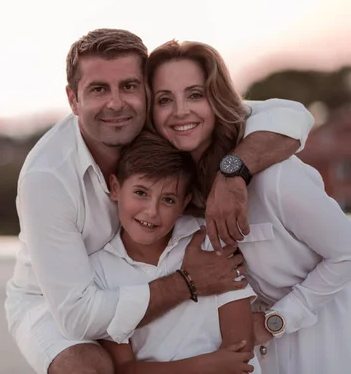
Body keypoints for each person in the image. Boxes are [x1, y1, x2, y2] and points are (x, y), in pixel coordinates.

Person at [5, 28, 314, 374]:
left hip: (147, 272)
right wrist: (188, 282)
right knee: (87, 368)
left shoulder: (162, 124)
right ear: (73, 100)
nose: (116, 103)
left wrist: (233, 173)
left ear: (148, 92)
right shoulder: (47, 178)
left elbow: (292, 116)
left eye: (129, 86)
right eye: (98, 89)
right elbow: (78, 317)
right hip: (56, 301)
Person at [146, 39, 351, 374]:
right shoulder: (175, 197)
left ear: (216, 99)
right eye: (164, 99)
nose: (180, 110)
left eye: (195, 94)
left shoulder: (275, 178)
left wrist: (276, 321)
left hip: (326, 347)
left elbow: (347, 251)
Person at [91, 131, 260, 374]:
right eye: (141, 193)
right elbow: (123, 370)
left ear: (184, 203)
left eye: (168, 199)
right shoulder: (99, 270)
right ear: (115, 188)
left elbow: (239, 351)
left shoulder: (209, 242)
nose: (151, 211)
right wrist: (208, 365)